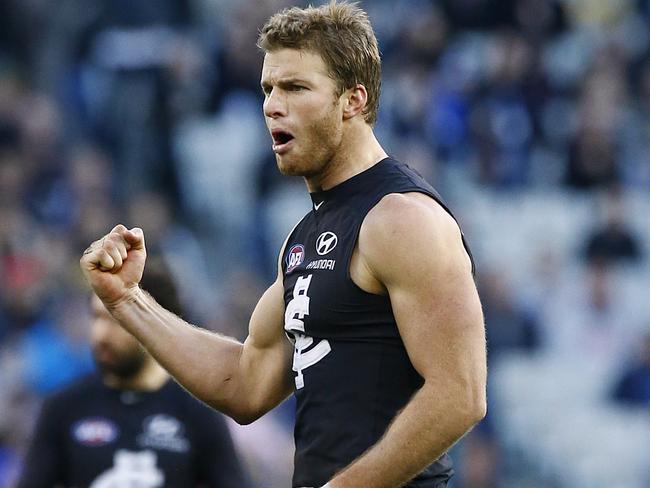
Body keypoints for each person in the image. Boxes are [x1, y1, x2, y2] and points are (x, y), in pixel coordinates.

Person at [79, 2, 487, 487]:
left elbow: (461, 393)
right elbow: (246, 383)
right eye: (268, 88)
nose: (273, 104)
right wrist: (126, 301)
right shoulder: (304, 238)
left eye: (295, 88)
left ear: (353, 100)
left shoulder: (402, 219)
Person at [17, 257, 248, 488]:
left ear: (155, 325)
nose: (101, 334)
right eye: (96, 317)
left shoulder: (196, 410)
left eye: (116, 320)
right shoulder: (64, 407)